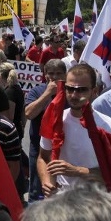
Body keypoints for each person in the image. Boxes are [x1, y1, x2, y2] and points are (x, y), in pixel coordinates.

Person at [38, 64, 111, 197]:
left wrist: (77, 171)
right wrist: (46, 182)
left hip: (96, 201)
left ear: (94, 91)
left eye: (81, 90)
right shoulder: (55, 120)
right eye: (70, 89)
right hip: (61, 201)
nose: (74, 95)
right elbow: (43, 157)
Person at [25, 60, 67, 202]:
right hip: (39, 150)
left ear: (65, 75)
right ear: (45, 75)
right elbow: (29, 113)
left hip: (64, 152)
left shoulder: (71, 93)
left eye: (58, 74)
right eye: (51, 74)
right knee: (38, 190)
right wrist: (47, 94)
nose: (54, 77)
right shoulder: (36, 91)